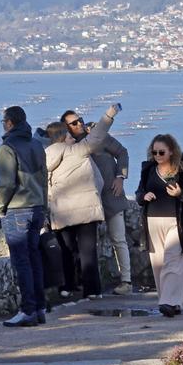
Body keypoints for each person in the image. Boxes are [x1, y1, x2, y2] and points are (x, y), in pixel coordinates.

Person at [44, 105, 119, 300]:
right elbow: (97, 136)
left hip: (61, 212)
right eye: (68, 136)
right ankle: (92, 291)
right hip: (85, 211)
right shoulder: (76, 151)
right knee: (88, 252)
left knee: (66, 251)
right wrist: (109, 114)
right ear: (62, 138)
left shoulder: (44, 158)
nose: (71, 138)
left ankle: (66, 287)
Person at [63, 109, 132, 295]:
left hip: (110, 195)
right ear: (66, 128)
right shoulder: (67, 147)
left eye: (80, 120)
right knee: (86, 245)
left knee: (118, 238)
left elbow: (122, 152)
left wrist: (120, 176)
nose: (79, 124)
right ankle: (83, 283)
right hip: (85, 202)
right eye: (74, 123)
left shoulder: (97, 135)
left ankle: (126, 281)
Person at [0, 105, 49, 328]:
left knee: (22, 261)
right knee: (35, 259)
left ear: (9, 123)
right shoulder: (36, 145)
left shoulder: (7, 148)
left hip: (18, 208)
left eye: (3, 122)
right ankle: (39, 308)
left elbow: (7, 183)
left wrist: (0, 206)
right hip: (37, 206)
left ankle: (27, 309)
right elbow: (44, 178)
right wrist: (44, 205)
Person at [138, 134, 183, 317]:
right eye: (154, 152)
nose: (157, 155)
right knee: (158, 265)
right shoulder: (148, 170)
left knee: (172, 261)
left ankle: (166, 301)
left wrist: (181, 193)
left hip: (178, 222)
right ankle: (174, 303)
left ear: (171, 151)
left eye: (161, 152)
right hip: (153, 221)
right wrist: (143, 197)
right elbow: (139, 192)